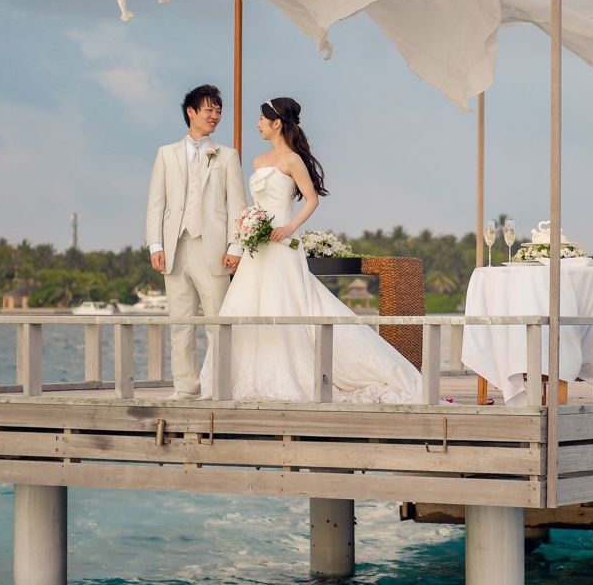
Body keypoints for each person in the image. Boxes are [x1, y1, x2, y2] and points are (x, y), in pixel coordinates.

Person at [200, 96, 421, 403]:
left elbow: (312, 199)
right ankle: (242, 376)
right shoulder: (258, 161)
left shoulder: (293, 160)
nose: (258, 124)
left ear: (277, 123)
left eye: (262, 119)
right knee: (248, 305)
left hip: (282, 244)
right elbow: (257, 204)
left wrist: (289, 227)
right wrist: (249, 226)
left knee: (284, 302)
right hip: (258, 247)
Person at [145, 85, 246, 399]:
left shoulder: (227, 156)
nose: (215, 116)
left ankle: (218, 385)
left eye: (219, 111)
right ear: (191, 112)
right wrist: (155, 245)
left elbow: (237, 206)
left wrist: (235, 247)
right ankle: (185, 387)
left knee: (217, 322)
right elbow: (156, 203)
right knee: (180, 323)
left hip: (213, 249)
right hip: (175, 248)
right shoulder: (166, 154)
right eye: (209, 110)